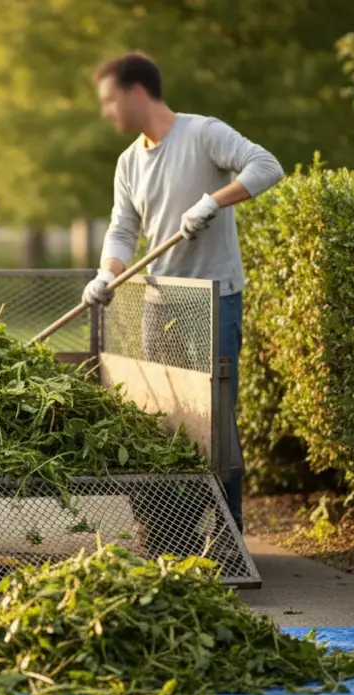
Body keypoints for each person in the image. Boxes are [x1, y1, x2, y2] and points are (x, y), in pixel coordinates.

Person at [83, 51, 284, 536]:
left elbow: (267, 165)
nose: (107, 112)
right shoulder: (129, 162)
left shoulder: (203, 133)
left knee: (216, 423)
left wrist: (213, 201)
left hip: (216, 300)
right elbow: (122, 231)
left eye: (110, 100)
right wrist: (107, 273)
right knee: (162, 416)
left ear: (136, 92)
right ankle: (173, 528)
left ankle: (230, 535)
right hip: (161, 303)